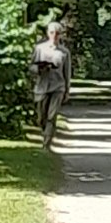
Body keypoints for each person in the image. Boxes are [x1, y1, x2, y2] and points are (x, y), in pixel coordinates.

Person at [29, 21, 71, 149]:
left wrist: (67, 91)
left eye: (57, 33)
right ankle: (44, 131)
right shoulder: (39, 48)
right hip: (42, 86)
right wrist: (39, 69)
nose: (54, 36)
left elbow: (67, 72)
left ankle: (46, 143)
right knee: (41, 117)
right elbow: (31, 66)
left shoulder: (64, 52)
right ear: (48, 33)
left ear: (60, 35)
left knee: (51, 116)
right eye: (52, 33)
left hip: (58, 87)